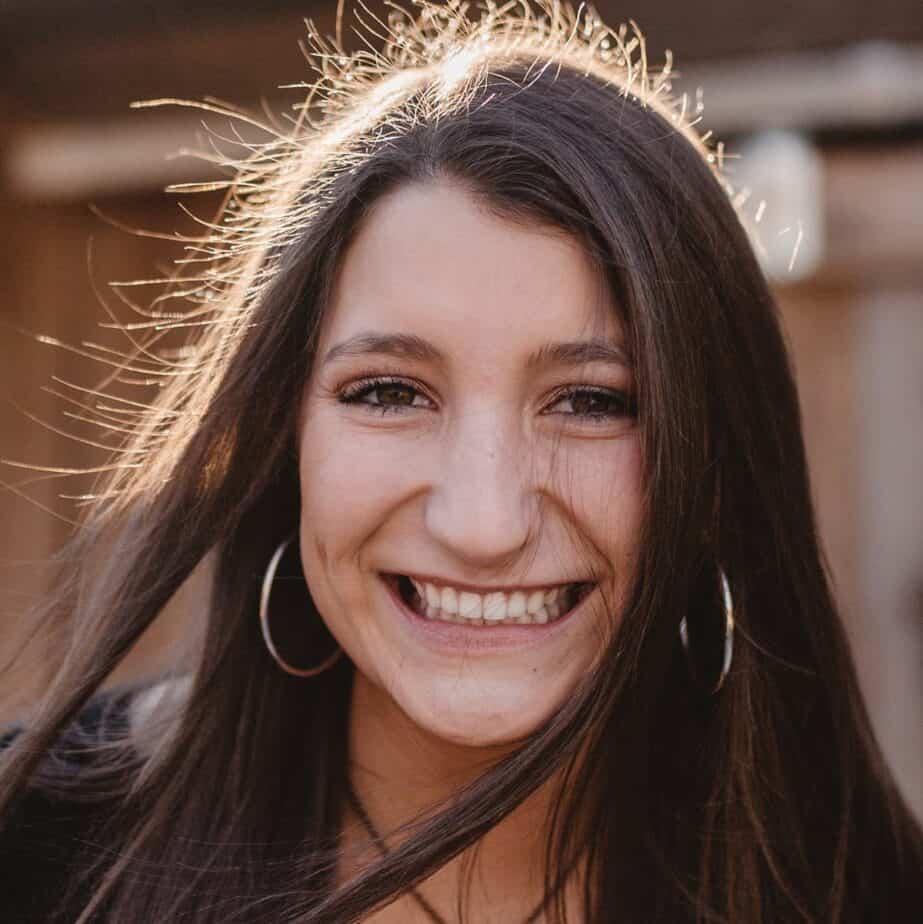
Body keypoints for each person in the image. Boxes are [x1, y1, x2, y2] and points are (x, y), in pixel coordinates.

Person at [0, 1, 920, 921]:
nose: (481, 526)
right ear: (284, 440)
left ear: (715, 464)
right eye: (388, 392)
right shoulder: (30, 849)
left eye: (592, 402)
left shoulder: (855, 893)